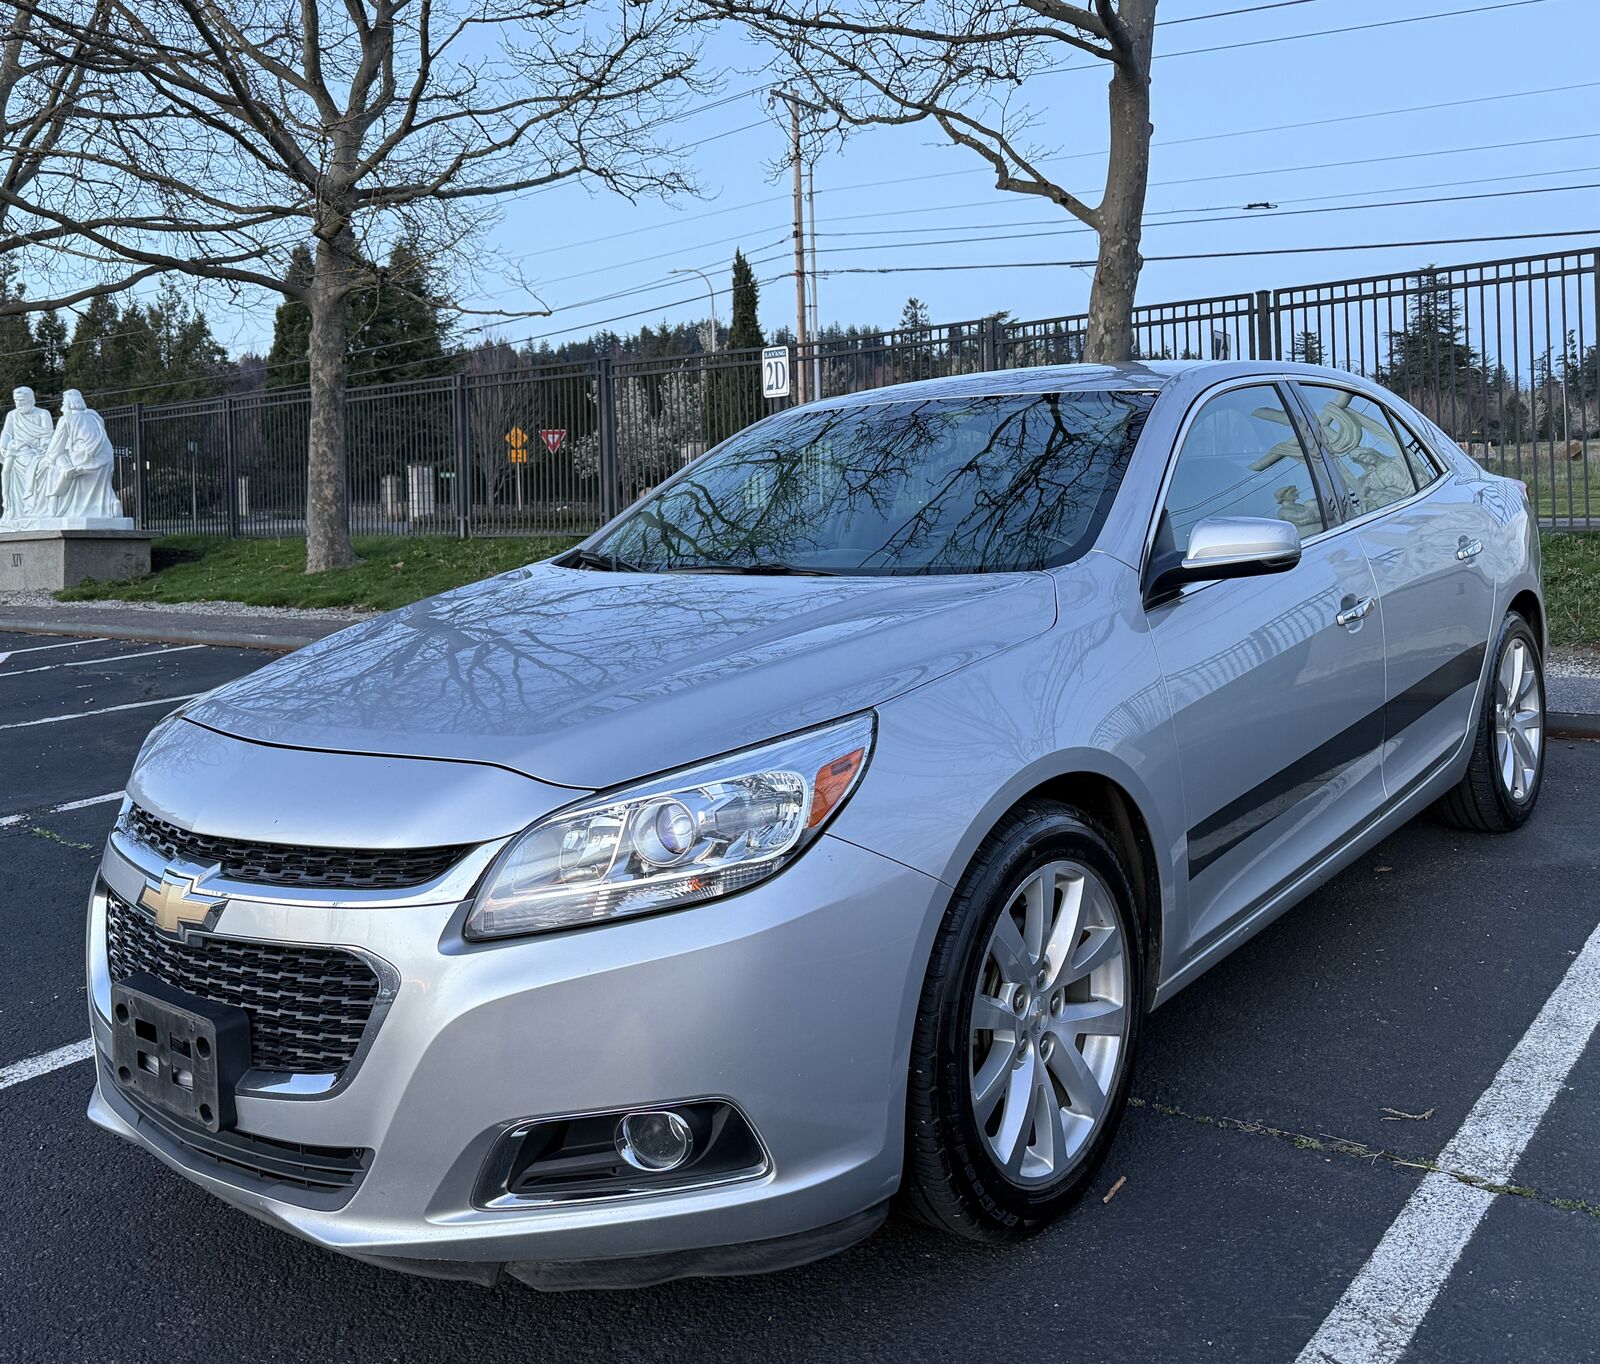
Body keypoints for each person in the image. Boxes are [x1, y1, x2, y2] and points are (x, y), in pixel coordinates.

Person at [35, 389, 122, 520]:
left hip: (83, 457)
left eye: (64, 402)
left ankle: (55, 508)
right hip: (105, 457)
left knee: (55, 465)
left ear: (69, 403)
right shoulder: (94, 415)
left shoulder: (66, 419)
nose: (62, 405)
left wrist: (46, 460)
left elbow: (55, 448)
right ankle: (111, 504)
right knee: (102, 487)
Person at [0, 386, 54, 524]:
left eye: (22, 401)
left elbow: (47, 435)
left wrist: (42, 447)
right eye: (16, 401)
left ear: (31, 400)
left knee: (42, 466)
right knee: (6, 472)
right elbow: (6, 433)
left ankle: (35, 508)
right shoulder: (12, 415)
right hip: (16, 452)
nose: (18, 404)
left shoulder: (43, 414)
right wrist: (3, 446)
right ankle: (9, 508)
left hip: (35, 452)